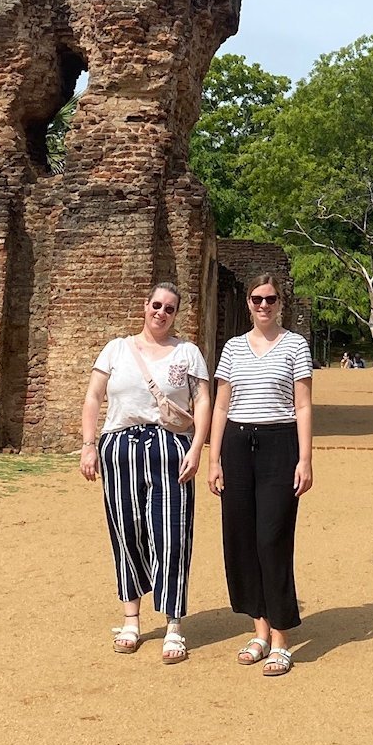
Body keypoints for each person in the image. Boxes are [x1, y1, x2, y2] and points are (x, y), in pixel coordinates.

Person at [79, 282, 211, 664]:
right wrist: (89, 445)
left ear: (176, 314)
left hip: (170, 447)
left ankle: (173, 624)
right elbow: (93, 397)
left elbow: (203, 401)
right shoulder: (117, 349)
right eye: (156, 305)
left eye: (169, 308)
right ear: (145, 306)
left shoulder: (187, 353)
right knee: (126, 529)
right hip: (120, 446)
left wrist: (197, 446)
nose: (161, 313)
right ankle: (131, 619)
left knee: (172, 533)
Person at [207, 274, 314, 677]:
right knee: (241, 539)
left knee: (272, 538)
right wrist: (214, 458)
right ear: (249, 304)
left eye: (270, 299)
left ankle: (283, 638)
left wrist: (305, 459)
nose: (263, 305)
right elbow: (220, 406)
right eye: (257, 299)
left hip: (279, 444)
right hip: (237, 443)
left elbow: (302, 406)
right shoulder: (233, 348)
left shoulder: (295, 345)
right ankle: (259, 629)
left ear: (280, 302)